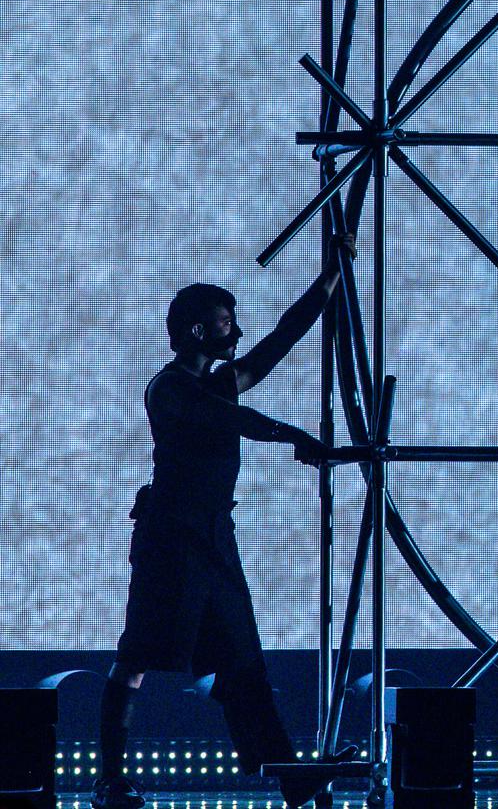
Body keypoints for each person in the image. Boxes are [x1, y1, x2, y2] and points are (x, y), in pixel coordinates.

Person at [94, 236, 358, 809]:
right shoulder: (170, 388)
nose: (235, 333)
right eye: (225, 324)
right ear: (197, 331)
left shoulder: (212, 383)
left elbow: (279, 341)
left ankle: (289, 776)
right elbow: (231, 419)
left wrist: (329, 279)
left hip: (213, 539)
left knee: (243, 661)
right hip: (170, 540)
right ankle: (110, 778)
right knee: (137, 657)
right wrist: (293, 435)